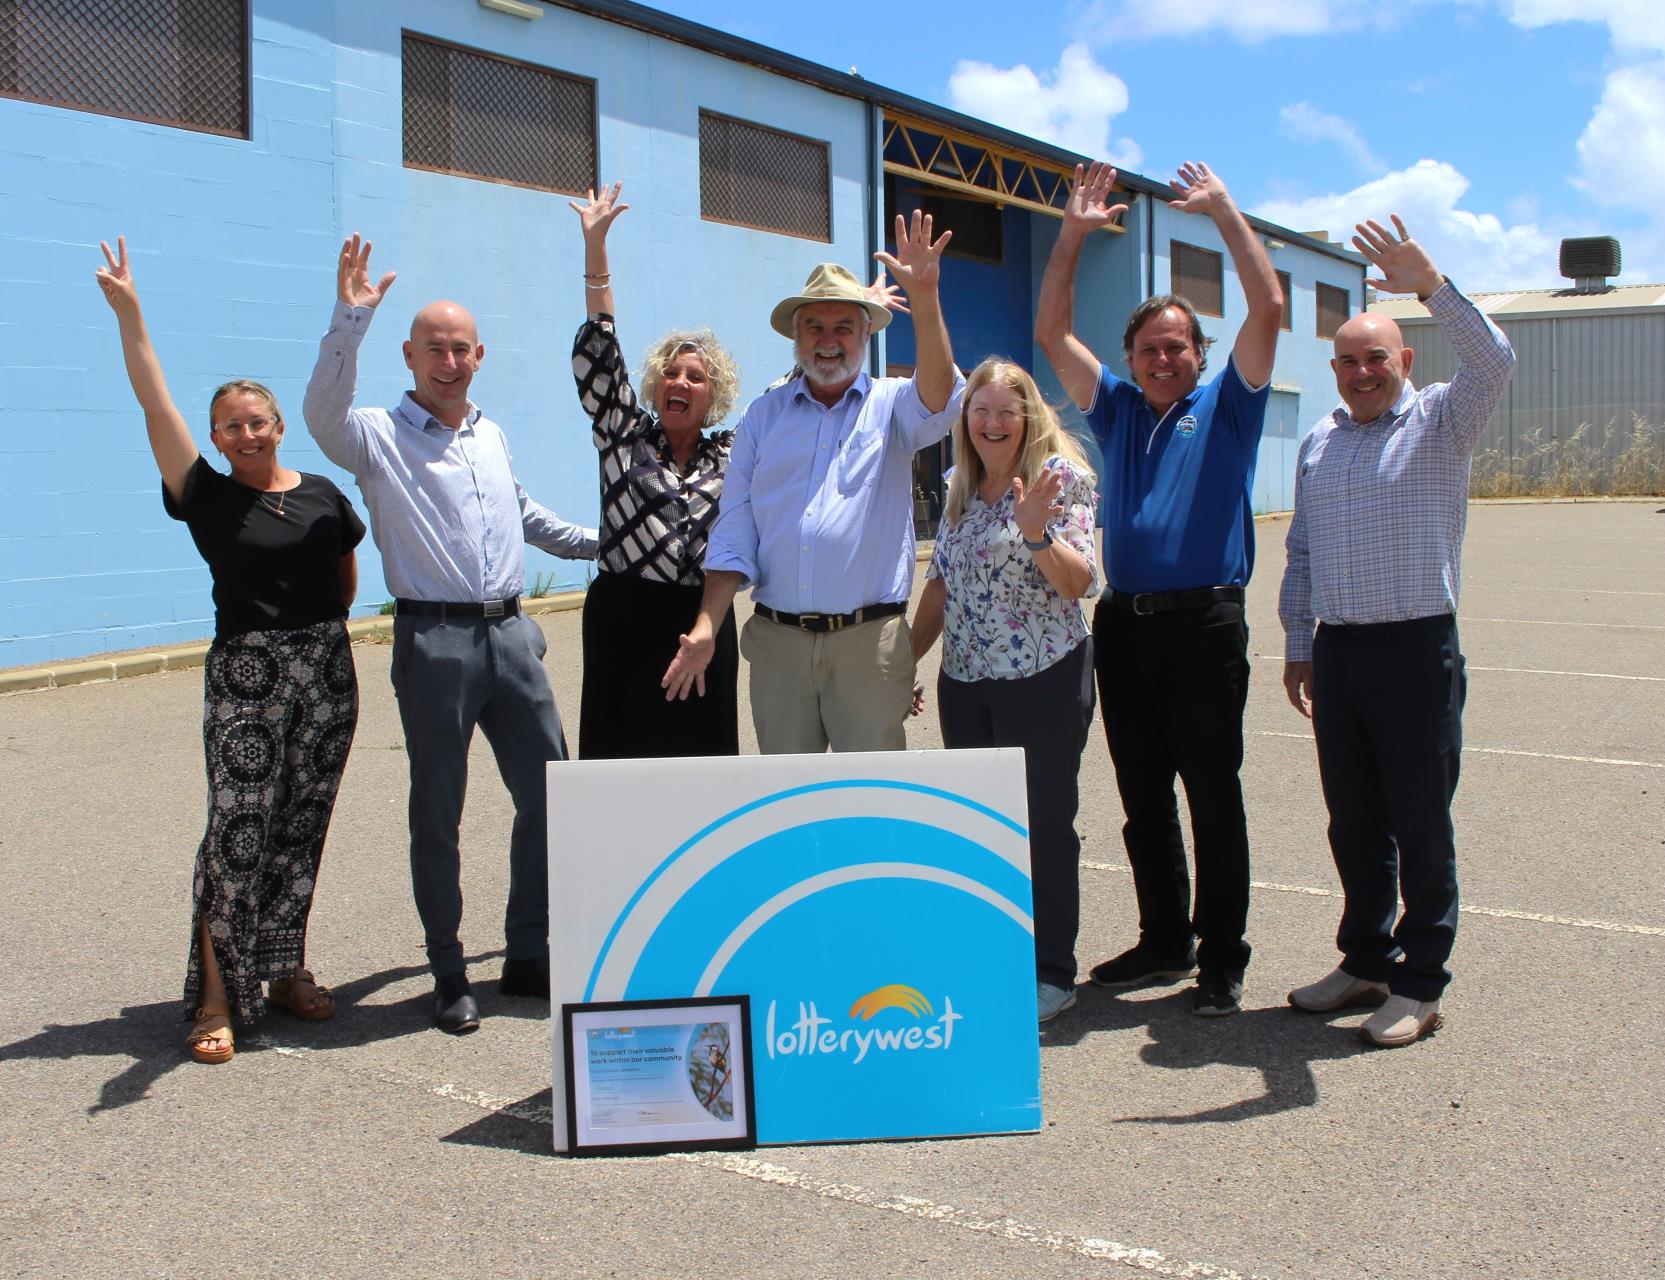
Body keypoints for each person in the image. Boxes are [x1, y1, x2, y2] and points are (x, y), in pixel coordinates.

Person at [302, 235, 597, 1035]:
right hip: (434, 643)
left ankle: (527, 951)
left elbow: (526, 517)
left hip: (512, 636)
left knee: (548, 798)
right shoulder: (373, 436)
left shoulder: (488, 435)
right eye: (433, 347)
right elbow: (318, 417)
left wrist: (617, 541)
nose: (448, 359)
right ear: (409, 353)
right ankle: (447, 970)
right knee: (438, 810)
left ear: (478, 356)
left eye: (460, 347)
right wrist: (347, 322)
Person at [95, 236, 365, 1065]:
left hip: (324, 667)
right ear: (215, 438)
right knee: (236, 832)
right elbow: (153, 403)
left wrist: (316, 644)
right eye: (230, 426)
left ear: (279, 427)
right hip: (245, 674)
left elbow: (345, 580)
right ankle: (215, 995)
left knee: (299, 826)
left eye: (257, 422)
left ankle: (282, 971)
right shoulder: (205, 496)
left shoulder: (321, 491)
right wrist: (130, 315)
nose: (246, 434)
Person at [1036, 161, 1283, 1017]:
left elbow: (1270, 310)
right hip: (1125, 626)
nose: (1163, 358)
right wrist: (1069, 234)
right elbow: (1051, 333)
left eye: (1176, 346)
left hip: (1203, 626)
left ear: (1197, 353)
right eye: (1147, 349)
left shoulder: (1231, 404)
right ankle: (1163, 938)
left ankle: (1221, 954)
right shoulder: (1115, 409)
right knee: (1141, 791)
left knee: (1210, 792)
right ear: (1131, 360)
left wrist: (1223, 212)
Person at [1279, 216, 1514, 1048]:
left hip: (1416, 651)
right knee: (1352, 820)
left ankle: (1419, 984)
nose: (1360, 372)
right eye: (1346, 360)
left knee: (1419, 822)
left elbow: (1495, 359)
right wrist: (1298, 645)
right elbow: (1300, 548)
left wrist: (1430, 284)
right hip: (1340, 654)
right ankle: (1365, 960)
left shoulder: (1443, 422)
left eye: (1375, 357)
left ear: (1403, 362)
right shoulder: (1319, 441)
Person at [661, 211, 964, 753]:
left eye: (843, 326)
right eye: (814, 327)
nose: (828, 341)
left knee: (871, 809)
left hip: (869, 646)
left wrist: (926, 298)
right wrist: (707, 624)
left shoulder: (893, 406)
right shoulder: (762, 417)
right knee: (790, 809)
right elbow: (734, 531)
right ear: (796, 336)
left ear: (866, 333)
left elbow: (941, 398)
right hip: (779, 647)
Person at [908, 359, 1099, 1024]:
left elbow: (1078, 583)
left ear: (1027, 417)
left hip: (1041, 678)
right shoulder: (960, 484)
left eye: (1003, 412)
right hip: (966, 683)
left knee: (1043, 826)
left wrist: (1035, 532)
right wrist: (905, 660)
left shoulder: (1059, 478)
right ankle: (996, 955)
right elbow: (940, 586)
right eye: (978, 411)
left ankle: (1052, 972)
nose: (990, 423)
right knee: (983, 827)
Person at [568, 183, 741, 757]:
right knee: (619, 758)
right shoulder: (622, 434)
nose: (680, 382)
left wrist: (855, 318)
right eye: (670, 372)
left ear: (713, 394)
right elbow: (601, 356)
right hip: (624, 616)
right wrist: (597, 249)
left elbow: (795, 393)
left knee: (702, 759)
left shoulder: (735, 454)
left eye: (695, 376)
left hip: (703, 618)